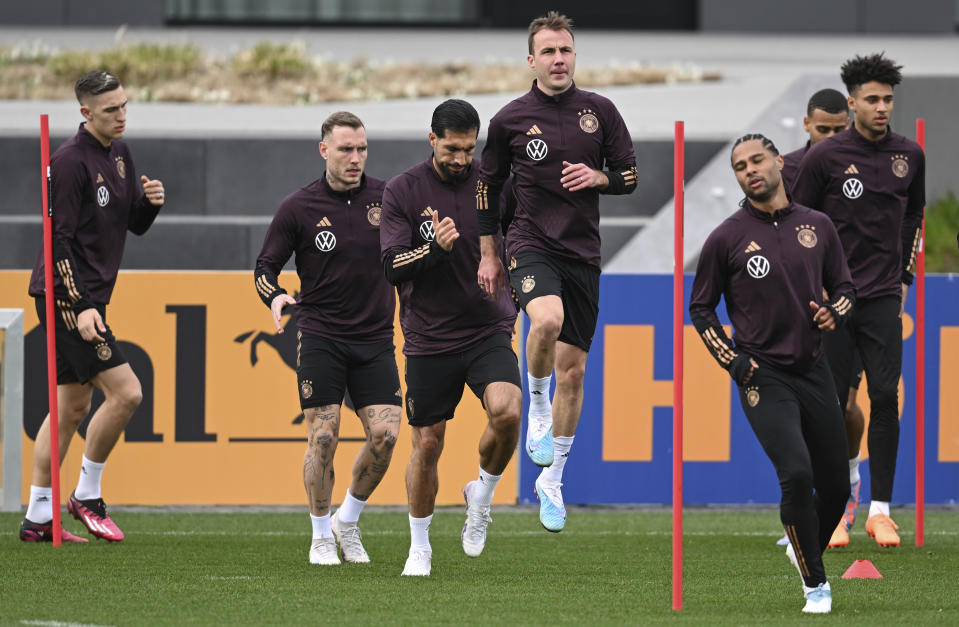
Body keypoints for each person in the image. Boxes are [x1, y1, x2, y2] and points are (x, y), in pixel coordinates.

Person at [475, 11, 637, 532]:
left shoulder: (601, 111)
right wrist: (488, 252)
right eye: (548, 51)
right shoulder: (510, 120)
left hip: (583, 252)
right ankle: (537, 409)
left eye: (565, 50)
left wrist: (600, 177)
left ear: (574, 55)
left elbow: (630, 175)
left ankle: (553, 479)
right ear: (532, 60)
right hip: (528, 241)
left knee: (576, 371)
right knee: (544, 321)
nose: (558, 59)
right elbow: (485, 189)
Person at [690, 134, 854, 614]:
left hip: (814, 367)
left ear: (779, 162)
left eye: (757, 160)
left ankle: (805, 551)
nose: (749, 170)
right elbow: (700, 309)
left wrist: (833, 314)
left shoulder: (818, 226)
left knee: (838, 487)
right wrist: (733, 360)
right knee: (797, 474)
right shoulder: (726, 236)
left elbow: (844, 288)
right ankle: (816, 586)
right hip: (763, 375)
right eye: (740, 167)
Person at [21, 70, 165, 543]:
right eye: (110, 110)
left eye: (125, 106)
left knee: (69, 407)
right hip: (65, 295)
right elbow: (56, 239)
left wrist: (149, 205)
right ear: (86, 113)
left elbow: (131, 226)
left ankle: (39, 517)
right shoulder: (67, 162)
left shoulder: (120, 153)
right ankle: (86, 494)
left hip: (88, 296)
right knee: (127, 393)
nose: (122, 116)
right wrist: (80, 305)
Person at [380, 99, 522, 577]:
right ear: (432, 140)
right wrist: (432, 250)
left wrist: (521, 300)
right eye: (452, 149)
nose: (461, 159)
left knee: (508, 411)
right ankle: (420, 545)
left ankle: (481, 492)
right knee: (427, 445)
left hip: (487, 328)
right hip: (429, 337)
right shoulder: (402, 190)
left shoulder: (495, 183)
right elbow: (390, 265)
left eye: (468, 148)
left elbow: (522, 245)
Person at [254, 112, 402, 566]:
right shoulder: (298, 208)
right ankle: (321, 535)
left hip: (375, 338)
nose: (355, 158)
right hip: (321, 336)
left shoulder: (388, 198)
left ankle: (347, 521)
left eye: (361, 149)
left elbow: (414, 255)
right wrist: (276, 297)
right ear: (324, 150)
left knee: (387, 436)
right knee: (323, 437)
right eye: (345, 149)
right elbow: (264, 269)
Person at [792, 53, 925, 548]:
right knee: (835, 404)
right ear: (852, 104)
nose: (882, 107)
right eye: (872, 99)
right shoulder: (824, 158)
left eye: (888, 99)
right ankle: (841, 499)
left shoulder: (909, 155)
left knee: (886, 397)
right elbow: (800, 223)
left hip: (883, 298)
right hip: (834, 302)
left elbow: (914, 217)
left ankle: (881, 511)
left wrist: (905, 276)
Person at [777, 88, 865, 549]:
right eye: (823, 129)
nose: (831, 138)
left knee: (841, 405)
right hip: (795, 307)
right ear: (806, 124)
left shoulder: (862, 167)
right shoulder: (785, 169)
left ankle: (847, 485)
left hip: (845, 303)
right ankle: (806, 511)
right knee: (796, 411)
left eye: (839, 129)